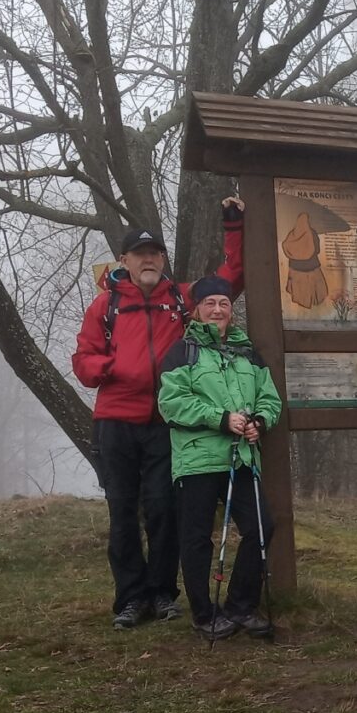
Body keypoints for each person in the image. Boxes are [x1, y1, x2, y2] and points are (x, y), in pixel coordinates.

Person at [72, 198, 246, 630]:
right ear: (125, 260)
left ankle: (164, 593)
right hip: (115, 423)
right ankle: (131, 598)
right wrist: (116, 369)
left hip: (166, 424)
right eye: (139, 255)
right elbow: (83, 361)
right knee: (123, 512)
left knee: (164, 509)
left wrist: (233, 225)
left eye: (155, 255)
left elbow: (231, 278)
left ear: (163, 261)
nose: (147, 261)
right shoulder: (105, 306)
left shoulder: (183, 299)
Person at [157, 275, 282, 642]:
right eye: (209, 303)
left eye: (223, 304)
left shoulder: (247, 353)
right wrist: (221, 418)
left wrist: (260, 421)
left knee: (262, 528)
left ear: (231, 310)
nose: (217, 309)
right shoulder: (182, 351)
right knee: (196, 538)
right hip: (196, 461)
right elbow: (171, 403)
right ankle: (203, 613)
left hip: (241, 458)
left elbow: (269, 399)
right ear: (196, 310)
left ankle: (241, 605)